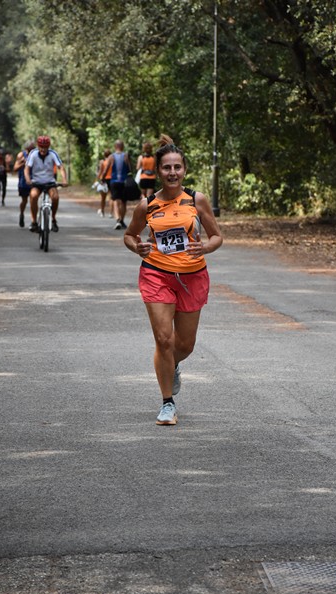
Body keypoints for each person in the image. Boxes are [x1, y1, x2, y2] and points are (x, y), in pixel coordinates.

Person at [124, 134, 223, 426]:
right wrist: (137, 246)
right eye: (167, 168)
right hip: (156, 273)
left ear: (184, 170)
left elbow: (217, 237)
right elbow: (129, 235)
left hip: (192, 276)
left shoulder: (196, 200)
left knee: (185, 344)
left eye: (177, 167)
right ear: (158, 171)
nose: (172, 173)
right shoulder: (148, 204)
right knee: (164, 339)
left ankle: (173, 364)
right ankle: (167, 403)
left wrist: (204, 246)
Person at [24, 135, 68, 233]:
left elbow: (61, 167)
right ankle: (34, 221)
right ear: (38, 146)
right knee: (33, 196)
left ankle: (53, 219)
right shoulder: (33, 153)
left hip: (50, 182)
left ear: (48, 147)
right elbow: (27, 168)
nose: (43, 149)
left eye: (45, 147)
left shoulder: (53, 154)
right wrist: (28, 179)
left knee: (55, 197)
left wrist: (64, 180)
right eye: (41, 147)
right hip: (36, 182)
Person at [102, 139, 131, 230]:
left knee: (115, 201)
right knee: (123, 202)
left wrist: (102, 178)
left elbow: (107, 169)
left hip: (114, 181)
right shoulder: (126, 156)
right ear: (122, 147)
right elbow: (129, 169)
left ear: (115, 147)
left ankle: (118, 219)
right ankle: (122, 220)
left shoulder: (111, 157)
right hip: (124, 182)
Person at [13, 140, 35, 228]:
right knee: (24, 201)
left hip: (34, 181)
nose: (31, 151)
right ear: (26, 148)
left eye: (32, 149)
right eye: (29, 149)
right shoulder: (21, 155)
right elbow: (15, 168)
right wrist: (22, 162)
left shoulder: (36, 155)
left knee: (34, 200)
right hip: (23, 182)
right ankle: (21, 214)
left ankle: (33, 220)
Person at [95, 148, 113, 218]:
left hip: (104, 179)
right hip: (111, 179)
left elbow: (100, 171)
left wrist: (97, 179)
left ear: (104, 155)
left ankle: (102, 211)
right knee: (111, 197)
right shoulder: (112, 162)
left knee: (103, 197)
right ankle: (111, 213)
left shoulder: (102, 162)